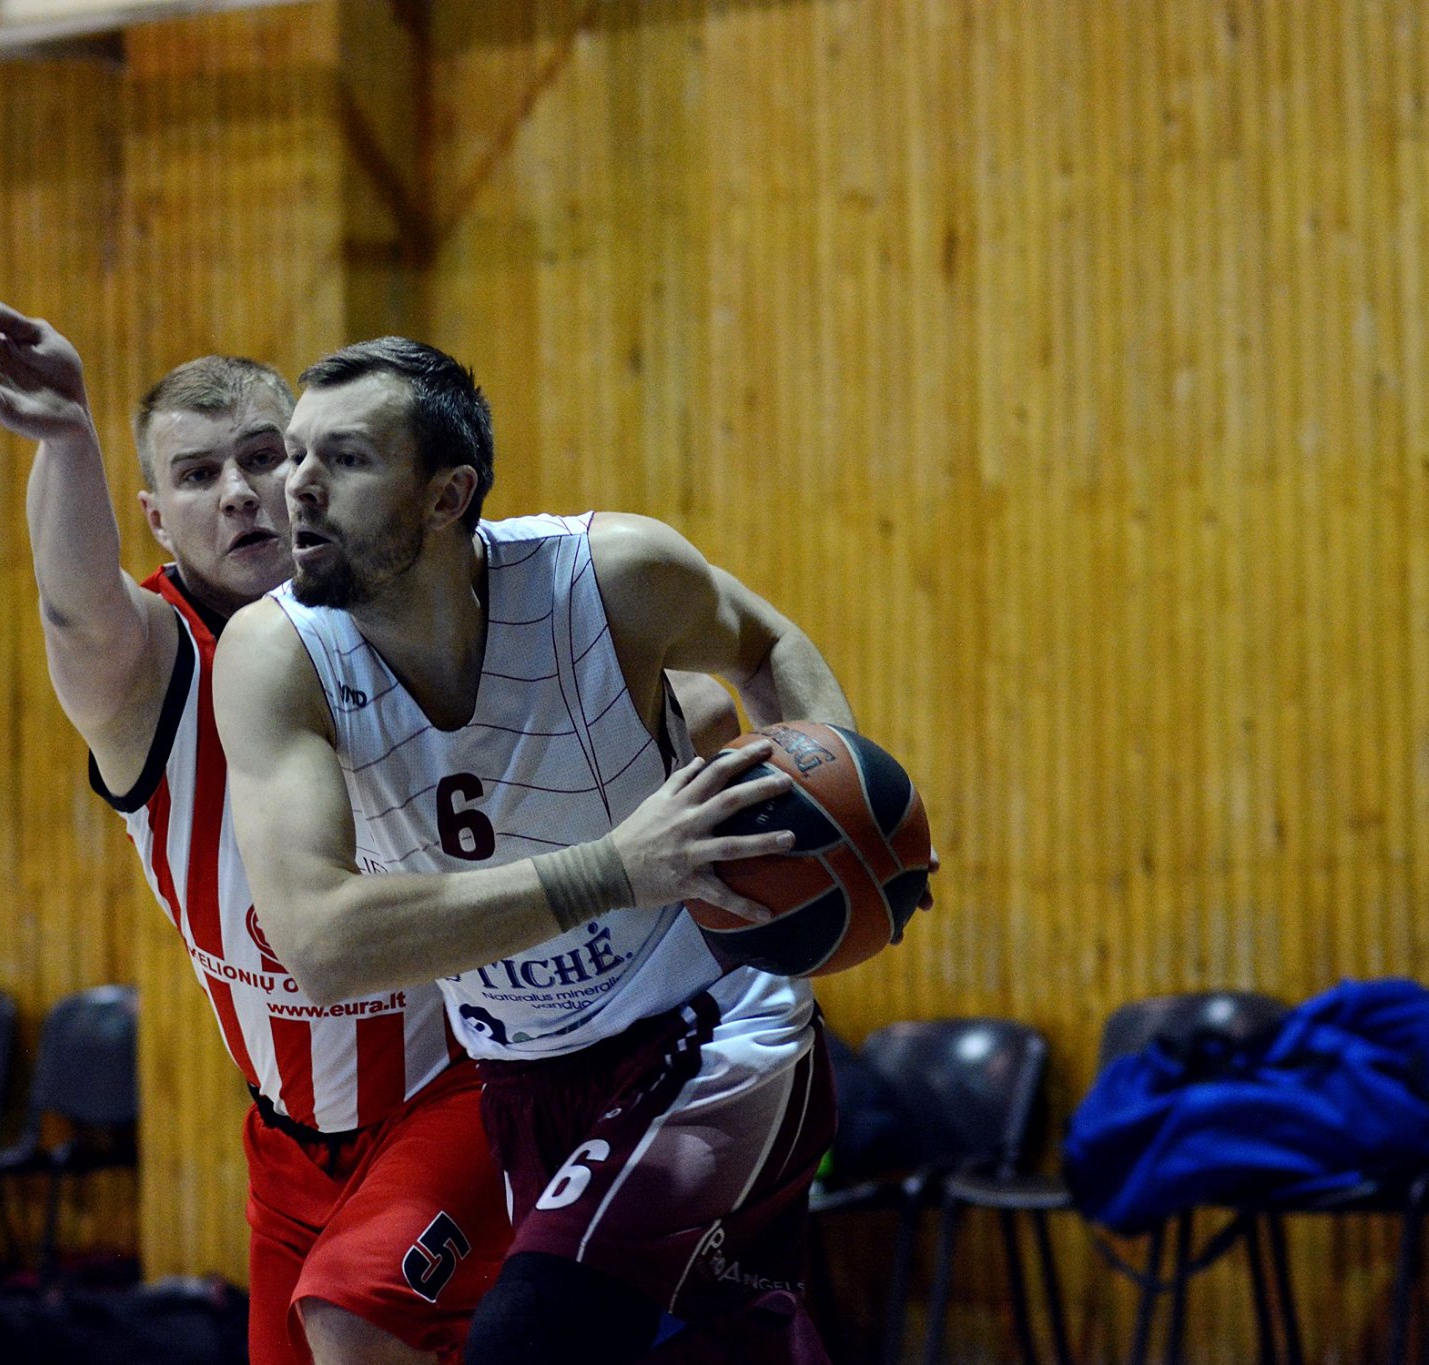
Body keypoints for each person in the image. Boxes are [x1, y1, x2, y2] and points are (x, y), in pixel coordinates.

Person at [215, 338, 935, 1364]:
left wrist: (834, 827)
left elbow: (765, 644)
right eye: (294, 455)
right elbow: (321, 946)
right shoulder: (274, 653)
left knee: (533, 1335)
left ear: (447, 495)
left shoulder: (609, 576)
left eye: (347, 458)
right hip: (521, 1077)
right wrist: (613, 867)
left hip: (712, 1033)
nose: (296, 486)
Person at [0, 300, 510, 1365]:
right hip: (286, 1147)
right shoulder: (148, 674)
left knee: (353, 1316)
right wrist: (65, 436)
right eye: (199, 475)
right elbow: (75, 606)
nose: (240, 491)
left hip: (463, 1093)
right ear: (156, 519)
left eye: (262, 457)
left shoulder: (410, 607)